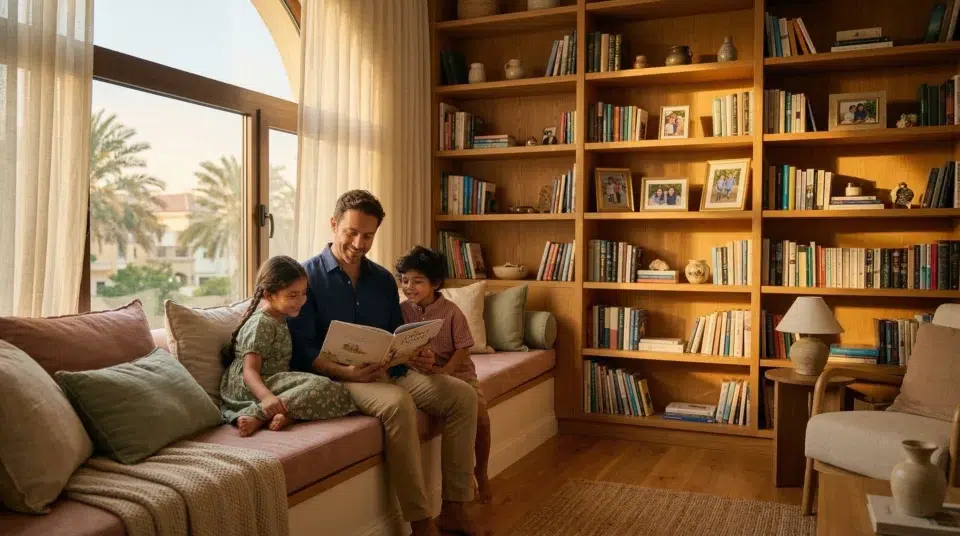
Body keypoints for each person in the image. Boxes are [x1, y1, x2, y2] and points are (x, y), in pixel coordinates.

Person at [287, 190, 479, 536]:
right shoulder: (306, 278)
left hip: (390, 369)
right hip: (340, 378)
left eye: (368, 236)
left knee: (463, 397)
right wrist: (346, 372)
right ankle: (420, 521)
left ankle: (455, 508)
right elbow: (304, 351)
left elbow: (396, 332)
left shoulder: (381, 279)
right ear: (333, 224)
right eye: (351, 232)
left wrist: (417, 352)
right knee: (398, 403)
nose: (359, 244)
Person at [395, 246, 492, 504]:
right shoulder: (402, 310)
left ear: (435, 283)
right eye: (404, 281)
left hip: (457, 372)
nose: (409, 287)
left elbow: (463, 348)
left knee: (481, 417)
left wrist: (446, 371)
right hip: (423, 374)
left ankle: (481, 472)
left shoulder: (451, 311)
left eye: (417, 281)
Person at [219, 255, 357, 437]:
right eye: (292, 295)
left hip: (273, 380)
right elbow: (249, 372)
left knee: (335, 389)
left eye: (304, 293)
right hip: (252, 386)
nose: (301, 300)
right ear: (269, 295)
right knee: (322, 386)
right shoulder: (262, 323)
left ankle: (287, 415)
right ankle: (259, 415)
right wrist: (267, 398)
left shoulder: (280, 317)